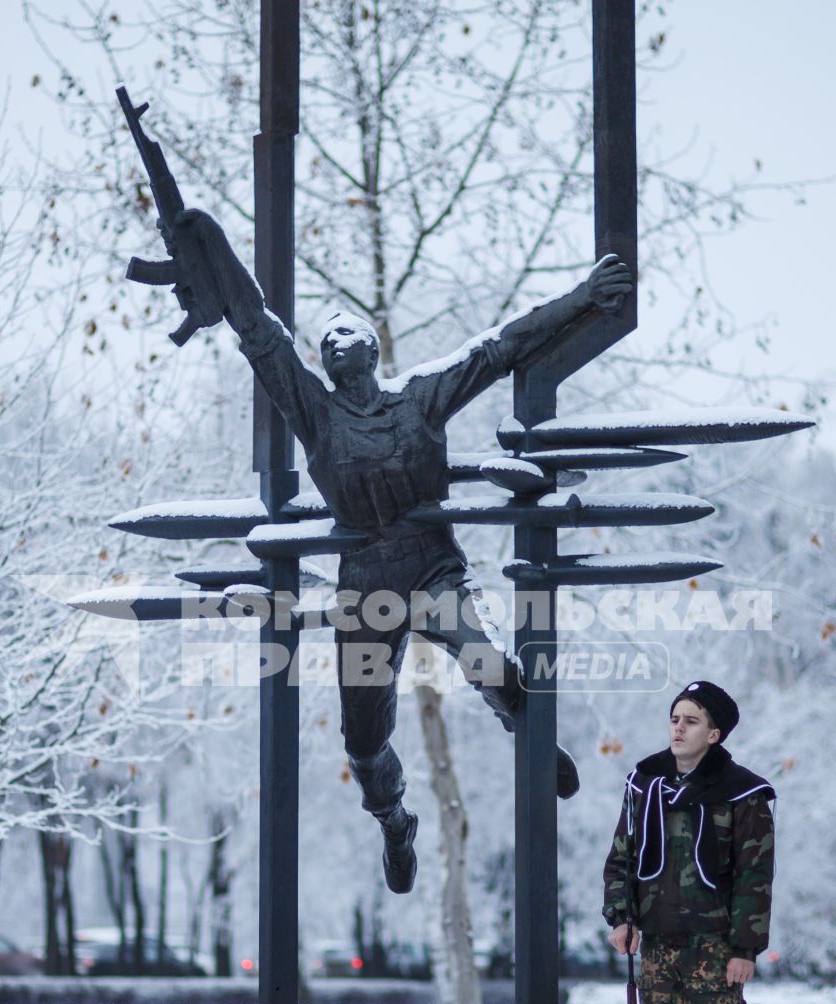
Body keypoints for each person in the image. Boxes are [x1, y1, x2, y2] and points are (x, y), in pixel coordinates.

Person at [156, 205, 634, 895]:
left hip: (433, 571)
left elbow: (497, 348)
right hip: (367, 592)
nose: (337, 339)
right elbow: (257, 327)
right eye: (329, 336)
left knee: (485, 659)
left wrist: (584, 298)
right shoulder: (314, 414)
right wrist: (208, 243)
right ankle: (394, 822)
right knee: (362, 739)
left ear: (374, 348)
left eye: (350, 331)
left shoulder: (419, 400)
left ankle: (529, 734)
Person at [603, 680, 774, 1004]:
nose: (678, 728)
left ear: (715, 733)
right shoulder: (645, 784)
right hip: (657, 949)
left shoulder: (743, 793)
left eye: (692, 721)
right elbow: (621, 857)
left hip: (715, 951)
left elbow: (755, 875)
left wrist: (744, 948)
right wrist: (621, 915)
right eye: (674, 718)